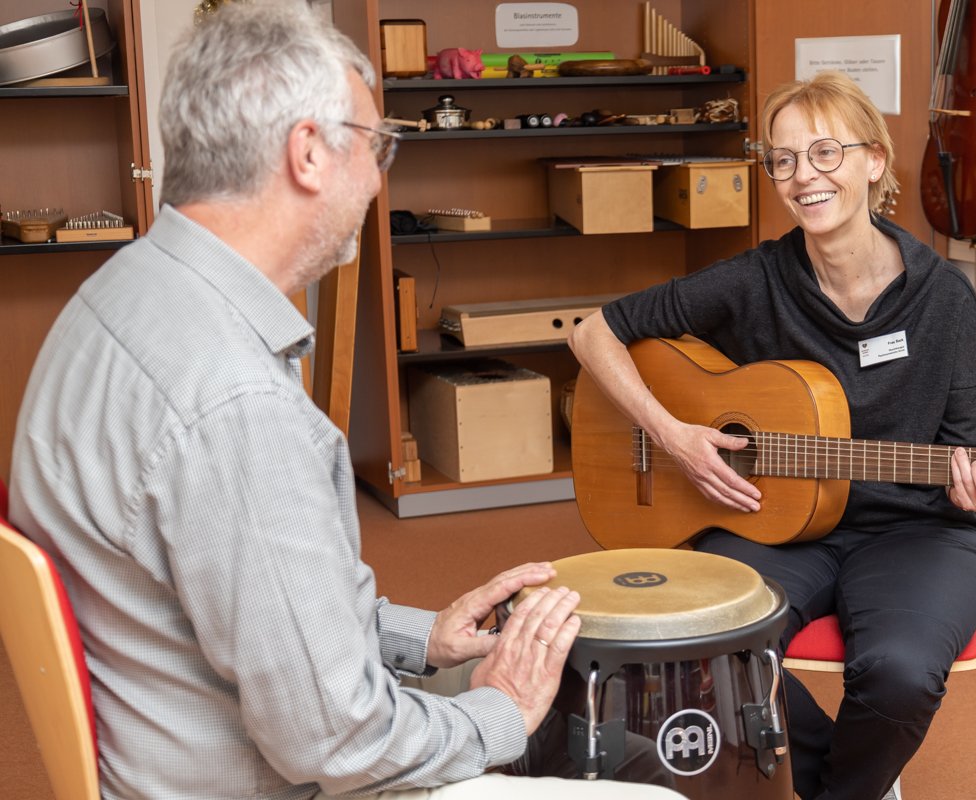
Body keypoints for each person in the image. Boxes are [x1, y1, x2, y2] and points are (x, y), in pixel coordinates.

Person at [7, 3, 684, 799]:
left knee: (607, 743)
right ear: (307, 154)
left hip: (178, 736)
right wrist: (499, 712)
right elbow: (340, 743)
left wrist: (422, 636)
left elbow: (252, 600)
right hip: (267, 776)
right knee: (648, 784)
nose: (377, 177)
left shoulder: (118, 296)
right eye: (375, 145)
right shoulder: (238, 405)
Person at [568, 70, 976, 800]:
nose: (802, 175)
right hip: (773, 521)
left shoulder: (944, 298)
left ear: (874, 161)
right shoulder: (755, 279)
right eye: (783, 158)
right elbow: (595, 333)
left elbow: (967, 460)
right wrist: (673, 433)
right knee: (695, 645)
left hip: (917, 531)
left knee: (899, 672)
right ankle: (831, 777)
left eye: (825, 153)